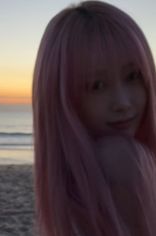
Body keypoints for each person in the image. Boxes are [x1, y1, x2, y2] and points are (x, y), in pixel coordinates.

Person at [32, 1, 156, 236]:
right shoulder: (120, 160)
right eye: (97, 85)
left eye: (133, 76)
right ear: (63, 97)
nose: (123, 102)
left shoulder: (68, 182)